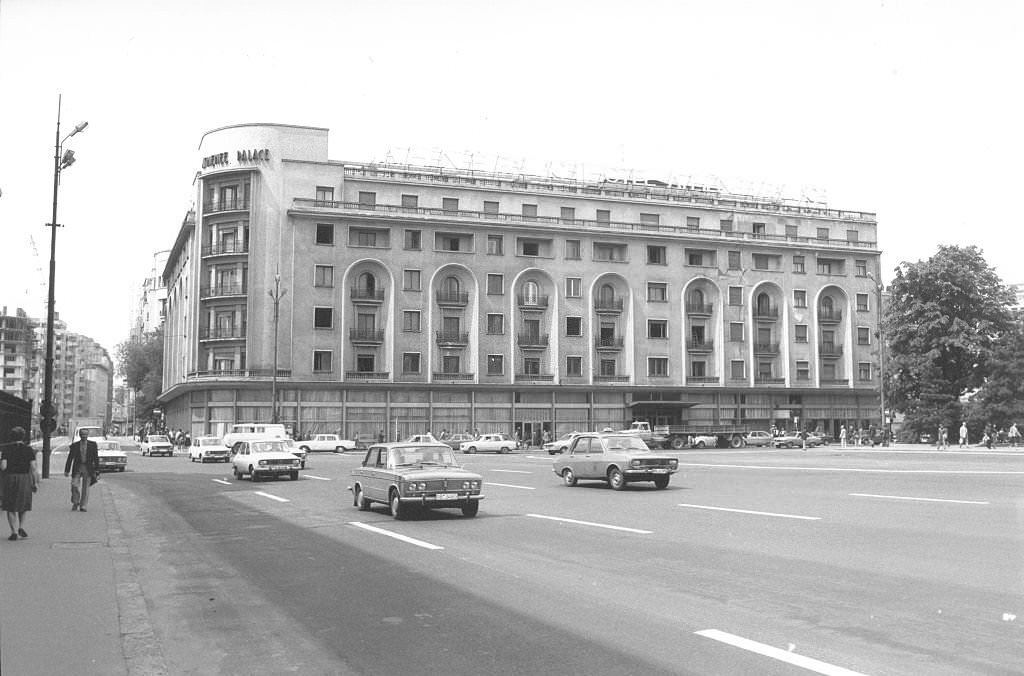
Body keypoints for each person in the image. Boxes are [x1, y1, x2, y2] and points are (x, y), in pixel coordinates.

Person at [2, 427, 39, 541]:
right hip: (24, 479)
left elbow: (3, 467)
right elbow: (33, 468)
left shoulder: (6, 450)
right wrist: (35, 482)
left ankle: (13, 531)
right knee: (23, 505)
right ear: (23, 437)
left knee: (10, 506)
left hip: (10, 479)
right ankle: (21, 527)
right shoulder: (29, 450)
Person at [65, 428, 99, 512]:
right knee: (74, 485)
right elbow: (70, 458)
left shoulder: (93, 445)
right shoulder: (75, 445)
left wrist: (97, 471)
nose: (84, 436)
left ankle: (83, 505)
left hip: (88, 468)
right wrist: (67, 470)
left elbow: (96, 458)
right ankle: (76, 501)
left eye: (85, 434)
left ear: (87, 435)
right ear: (79, 435)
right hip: (77, 467)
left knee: (85, 488)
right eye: (82, 434)